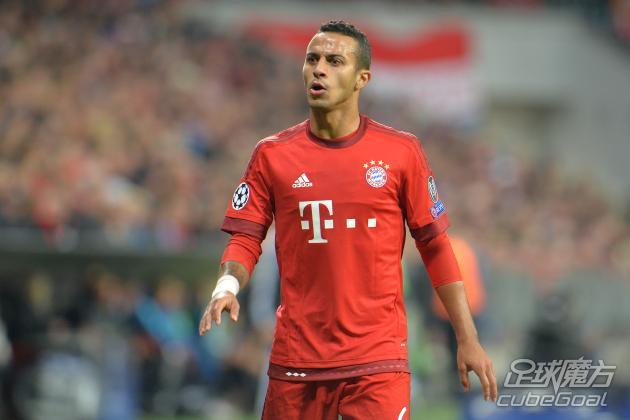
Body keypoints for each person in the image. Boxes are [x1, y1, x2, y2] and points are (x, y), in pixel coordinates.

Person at [199, 20, 497, 419]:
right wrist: (227, 285)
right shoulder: (272, 155)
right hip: (297, 359)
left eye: (334, 61)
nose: (319, 69)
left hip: (378, 361)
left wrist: (467, 337)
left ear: (362, 79)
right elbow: (245, 237)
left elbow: (435, 246)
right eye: (312, 59)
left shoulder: (400, 152)